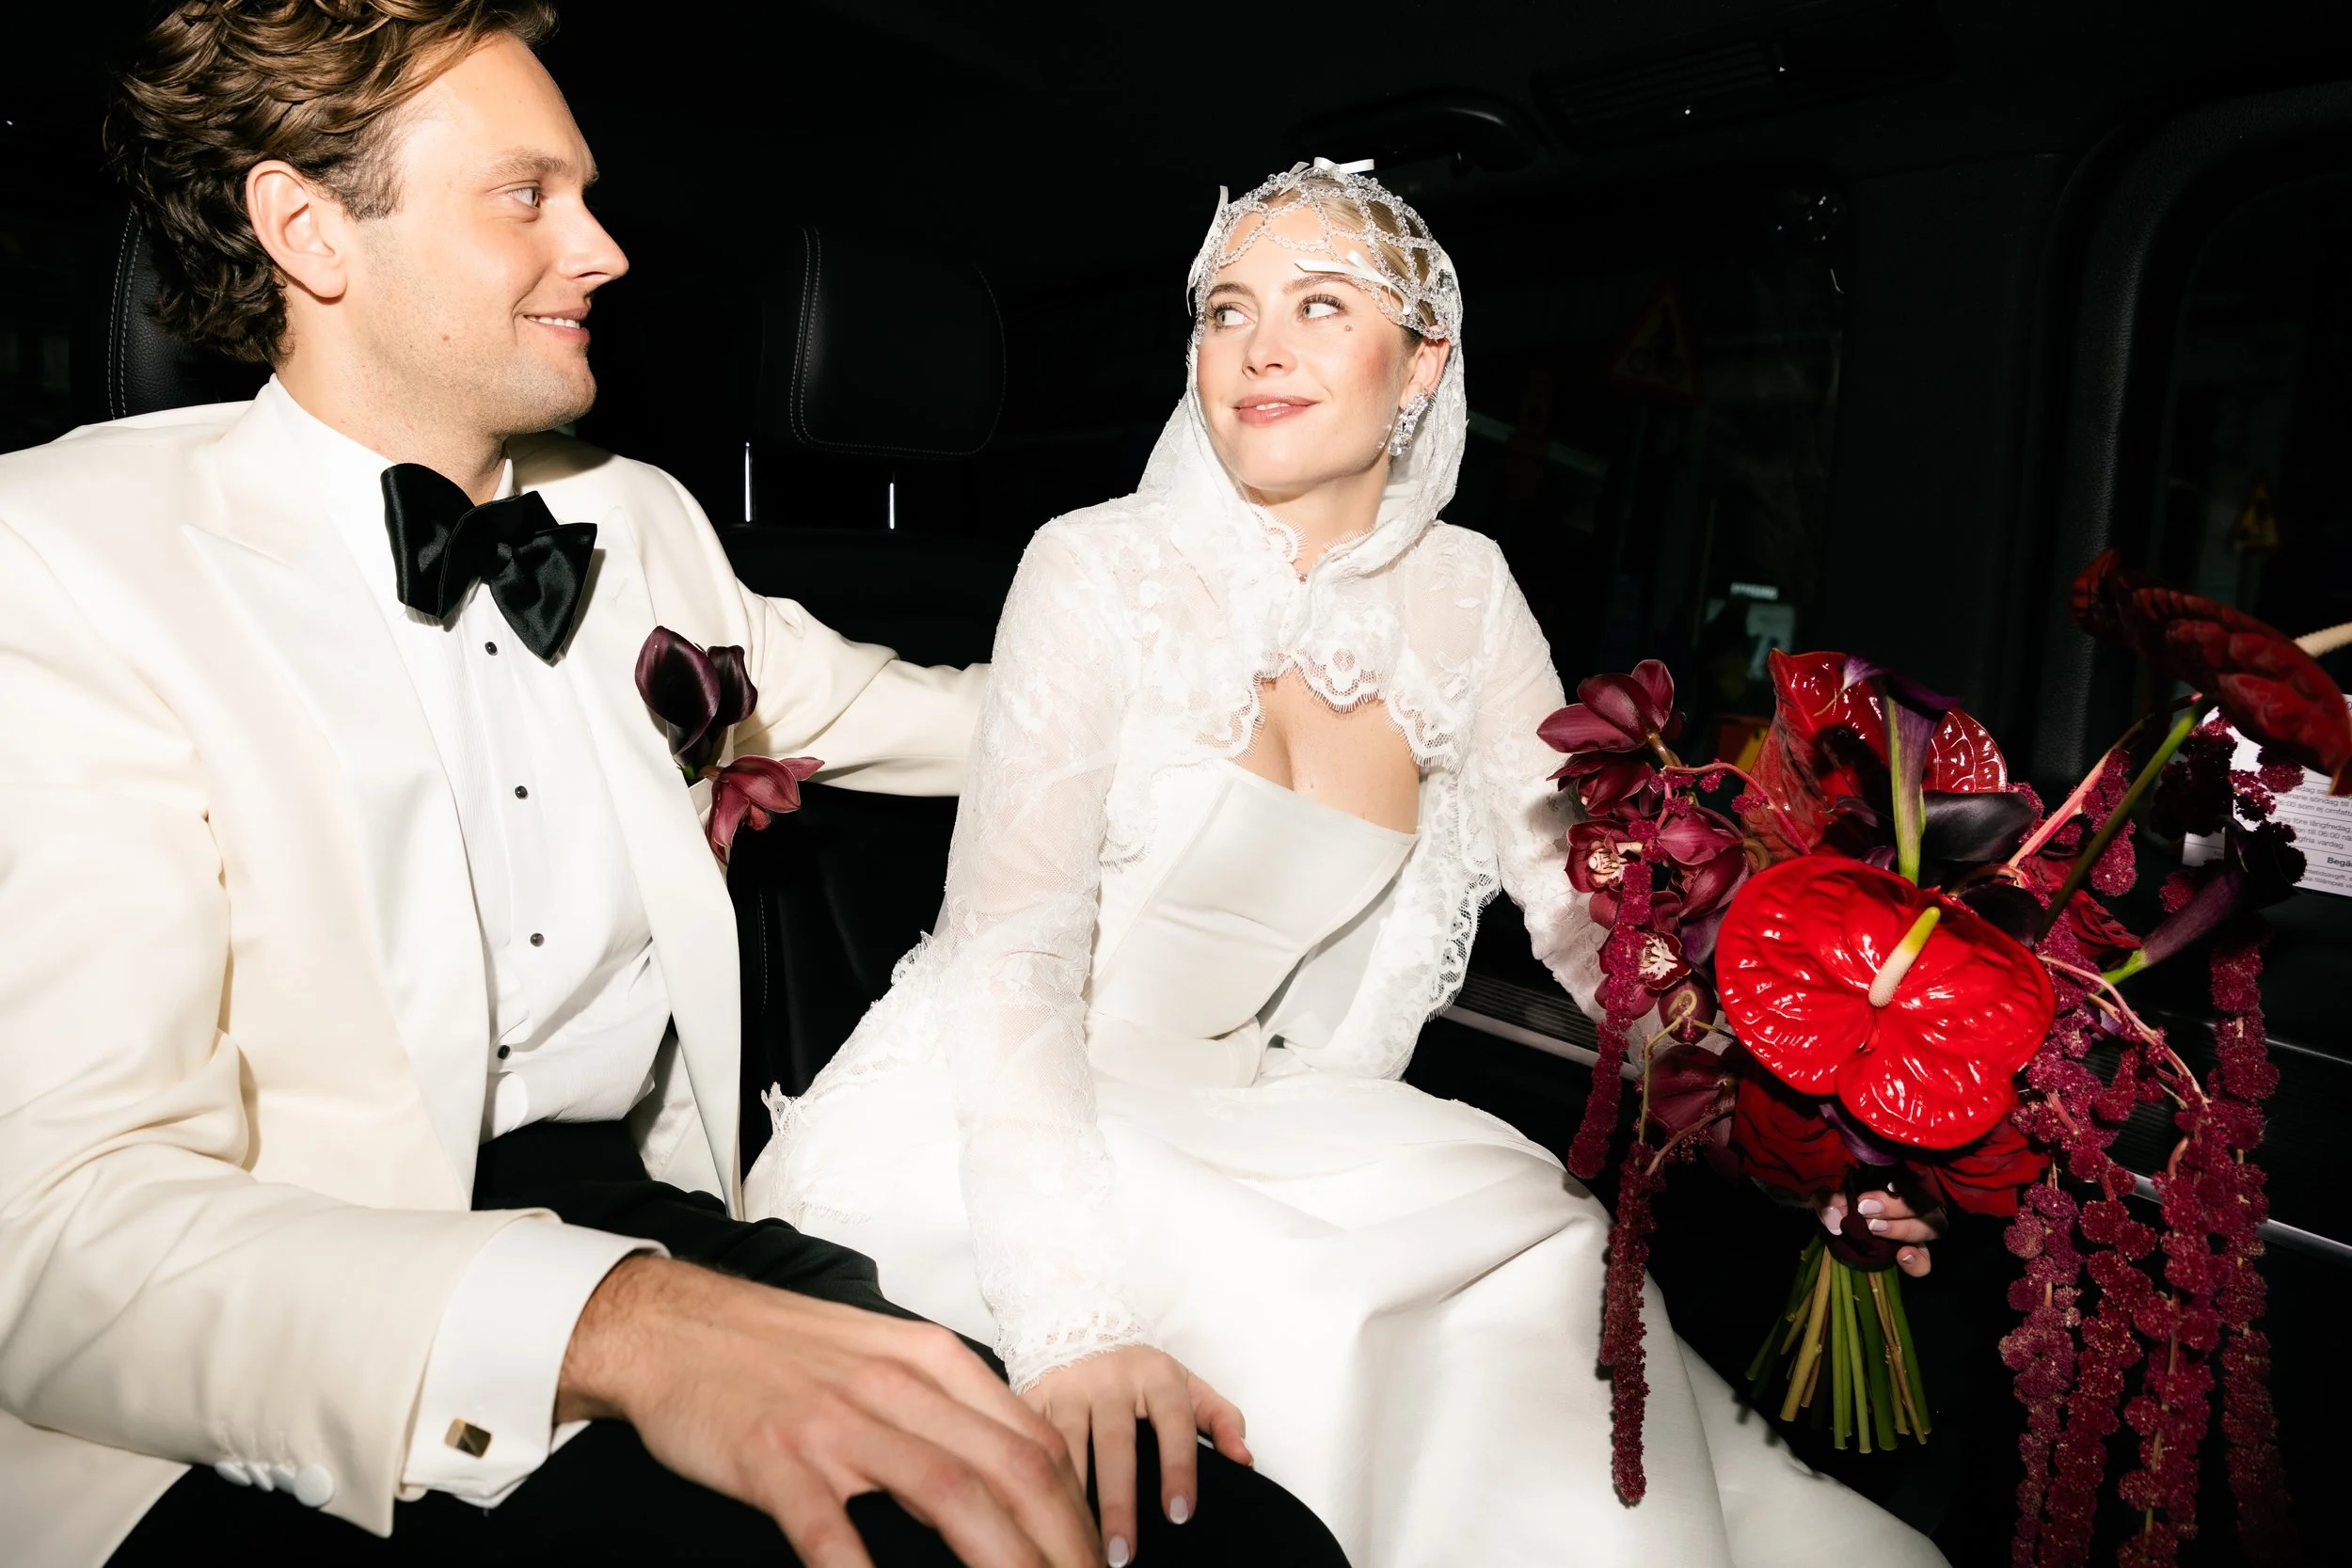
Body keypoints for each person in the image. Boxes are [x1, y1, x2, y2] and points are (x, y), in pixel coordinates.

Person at [0, 6, 1348, 1568]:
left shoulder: (638, 521)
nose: (603, 249)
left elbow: (963, 719)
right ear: (309, 229)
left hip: (663, 1222)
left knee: (1211, 1536)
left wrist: (1291, 692)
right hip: (289, 1336)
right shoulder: (61, 554)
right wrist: (623, 1324)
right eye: (527, 196)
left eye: (586, 191)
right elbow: (62, 1232)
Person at [747, 161, 1953, 1568]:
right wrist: (1071, 1322)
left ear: (1423, 361)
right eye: (1227, 311)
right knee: (1345, 1311)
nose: (1259, 348)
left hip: (1270, 1114)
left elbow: (1584, 920)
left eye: (1322, 306)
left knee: (1547, 1258)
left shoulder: (1470, 593)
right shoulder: (1090, 568)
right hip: (1015, 1122)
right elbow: (1010, 970)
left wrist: (1794, 1114)